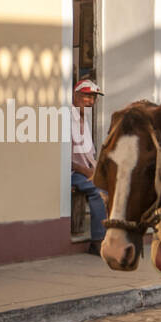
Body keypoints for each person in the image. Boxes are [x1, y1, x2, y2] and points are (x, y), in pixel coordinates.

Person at [71, 78, 107, 255]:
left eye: (93, 98)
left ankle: (112, 237)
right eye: (87, 97)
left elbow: (89, 154)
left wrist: (98, 170)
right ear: (76, 95)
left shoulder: (84, 118)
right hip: (70, 173)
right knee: (98, 191)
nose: (91, 101)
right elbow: (62, 158)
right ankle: (97, 241)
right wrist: (86, 171)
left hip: (84, 170)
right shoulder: (66, 117)